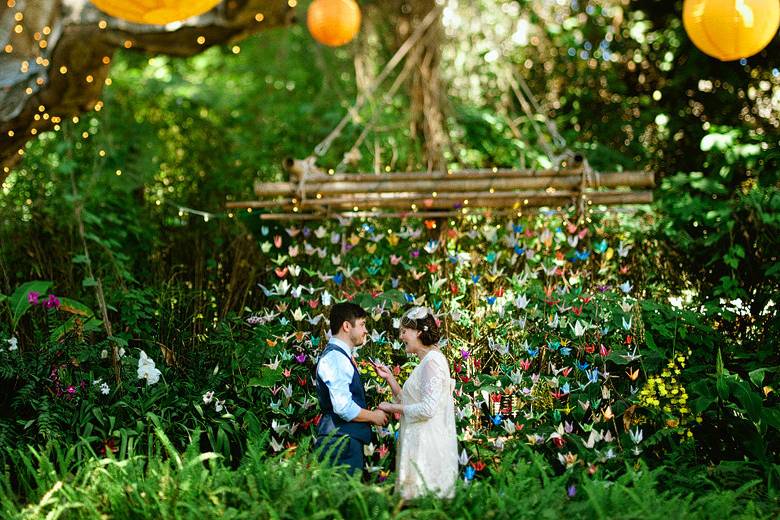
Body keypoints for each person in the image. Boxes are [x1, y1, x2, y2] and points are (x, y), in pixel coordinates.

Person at [374, 306, 458, 500]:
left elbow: (428, 409)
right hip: (417, 442)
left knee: (422, 502)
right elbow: (411, 401)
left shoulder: (432, 362)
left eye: (404, 332)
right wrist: (390, 379)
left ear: (419, 332)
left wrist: (391, 407)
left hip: (426, 447)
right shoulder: (426, 361)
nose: (401, 336)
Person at [314, 302, 388, 475]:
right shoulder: (336, 359)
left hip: (343, 442)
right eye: (362, 325)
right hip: (340, 444)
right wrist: (374, 416)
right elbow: (343, 407)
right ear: (347, 326)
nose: (366, 330)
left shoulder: (339, 357)